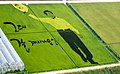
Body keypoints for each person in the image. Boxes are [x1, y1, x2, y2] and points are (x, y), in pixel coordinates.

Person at [12, 4, 98, 64]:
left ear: (52, 13)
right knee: (72, 46)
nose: (49, 15)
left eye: (50, 13)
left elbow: (69, 25)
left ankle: (90, 57)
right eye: (48, 14)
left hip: (69, 31)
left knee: (81, 44)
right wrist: (28, 13)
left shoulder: (60, 19)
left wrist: (77, 32)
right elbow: (38, 19)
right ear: (48, 15)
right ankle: (81, 56)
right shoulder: (49, 20)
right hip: (62, 33)